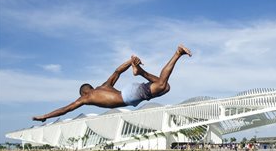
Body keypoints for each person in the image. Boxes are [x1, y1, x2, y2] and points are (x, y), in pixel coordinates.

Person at [33, 44, 192, 122]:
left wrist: (45, 116)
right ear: (91, 87)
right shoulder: (103, 86)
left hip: (129, 96)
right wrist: (130, 62)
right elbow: (117, 71)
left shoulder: (86, 98)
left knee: (162, 84)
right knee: (166, 87)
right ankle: (140, 72)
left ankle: (178, 53)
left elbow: (65, 109)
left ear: (84, 92)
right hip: (129, 92)